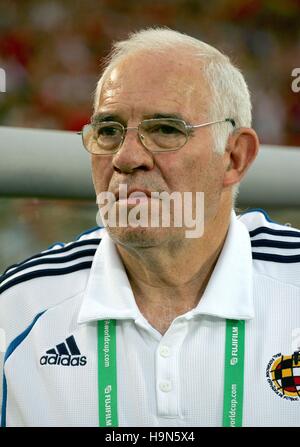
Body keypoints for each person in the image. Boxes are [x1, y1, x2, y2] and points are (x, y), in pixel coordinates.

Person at [1, 27, 300, 428]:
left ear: (233, 157)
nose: (126, 158)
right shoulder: (18, 308)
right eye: (108, 131)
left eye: (165, 130)